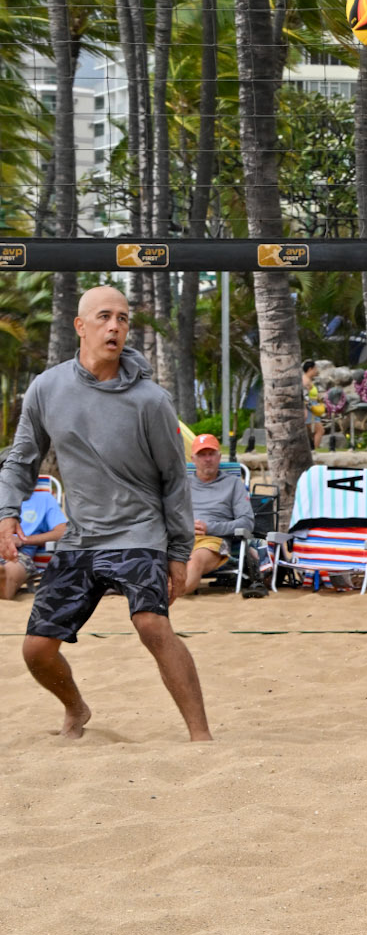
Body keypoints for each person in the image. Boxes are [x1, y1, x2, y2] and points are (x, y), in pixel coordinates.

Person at [0, 285, 211, 741]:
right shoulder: (46, 388)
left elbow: (174, 479)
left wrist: (178, 552)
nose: (115, 326)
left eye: (122, 318)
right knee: (36, 650)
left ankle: (200, 736)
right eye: (104, 317)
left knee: (151, 622)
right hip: (79, 539)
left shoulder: (151, 400)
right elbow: (21, 458)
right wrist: (7, 512)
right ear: (80, 325)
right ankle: (76, 709)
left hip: (140, 532)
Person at [183, 433, 265, 596]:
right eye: (202, 454)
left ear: (219, 457)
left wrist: (210, 528)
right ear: (193, 458)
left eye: (211, 454)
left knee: (195, 560)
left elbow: (247, 522)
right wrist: (184, 527)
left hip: (213, 541)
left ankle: (171, 593)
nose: (207, 459)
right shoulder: (182, 484)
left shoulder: (233, 484)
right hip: (181, 536)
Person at [2, 486, 68, 601]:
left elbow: (63, 532)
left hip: (18, 555)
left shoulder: (44, 499)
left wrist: (22, 540)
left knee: (12, 568)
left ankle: (3, 582)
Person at [302, 359, 327, 448]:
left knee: (312, 432)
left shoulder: (308, 380)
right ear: (310, 369)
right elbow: (304, 397)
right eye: (315, 368)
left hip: (312, 409)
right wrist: (306, 409)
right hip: (310, 411)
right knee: (320, 430)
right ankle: (314, 450)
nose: (316, 371)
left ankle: (312, 449)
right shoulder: (305, 381)